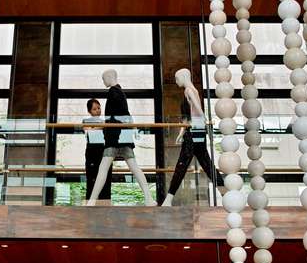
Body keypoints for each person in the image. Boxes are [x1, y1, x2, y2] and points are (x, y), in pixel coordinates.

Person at [87, 69, 156, 206]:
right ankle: (148, 199)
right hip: (123, 138)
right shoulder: (119, 92)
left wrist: (128, 128)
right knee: (134, 168)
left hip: (115, 139)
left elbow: (123, 114)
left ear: (109, 77)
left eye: (103, 79)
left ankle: (92, 201)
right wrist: (133, 128)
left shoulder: (114, 91)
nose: (103, 82)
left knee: (103, 168)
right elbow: (126, 114)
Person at [162, 68, 225, 206]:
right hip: (196, 130)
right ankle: (224, 193)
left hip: (195, 131)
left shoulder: (190, 91)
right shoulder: (189, 91)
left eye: (177, 78)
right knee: (206, 164)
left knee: (182, 165)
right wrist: (181, 134)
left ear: (184, 77)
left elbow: (199, 110)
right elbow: (187, 118)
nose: (176, 81)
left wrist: (206, 124)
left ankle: (169, 199)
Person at [83, 98, 111, 202]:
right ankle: (90, 204)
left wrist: (102, 125)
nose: (98, 110)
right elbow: (88, 133)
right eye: (94, 109)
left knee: (105, 180)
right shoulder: (86, 121)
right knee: (91, 179)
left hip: (103, 151)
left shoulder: (105, 122)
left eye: (99, 108)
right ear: (89, 111)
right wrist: (102, 126)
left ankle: (106, 205)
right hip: (91, 151)